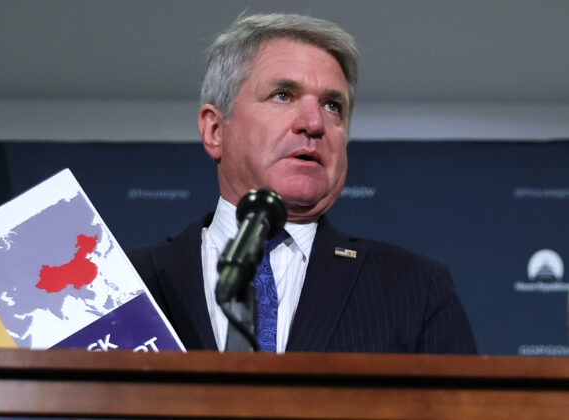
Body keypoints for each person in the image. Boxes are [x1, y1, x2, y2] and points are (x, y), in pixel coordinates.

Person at [128, 13, 477, 354]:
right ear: (215, 131)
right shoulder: (127, 282)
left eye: (332, 106)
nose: (313, 123)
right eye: (283, 95)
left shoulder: (414, 288)